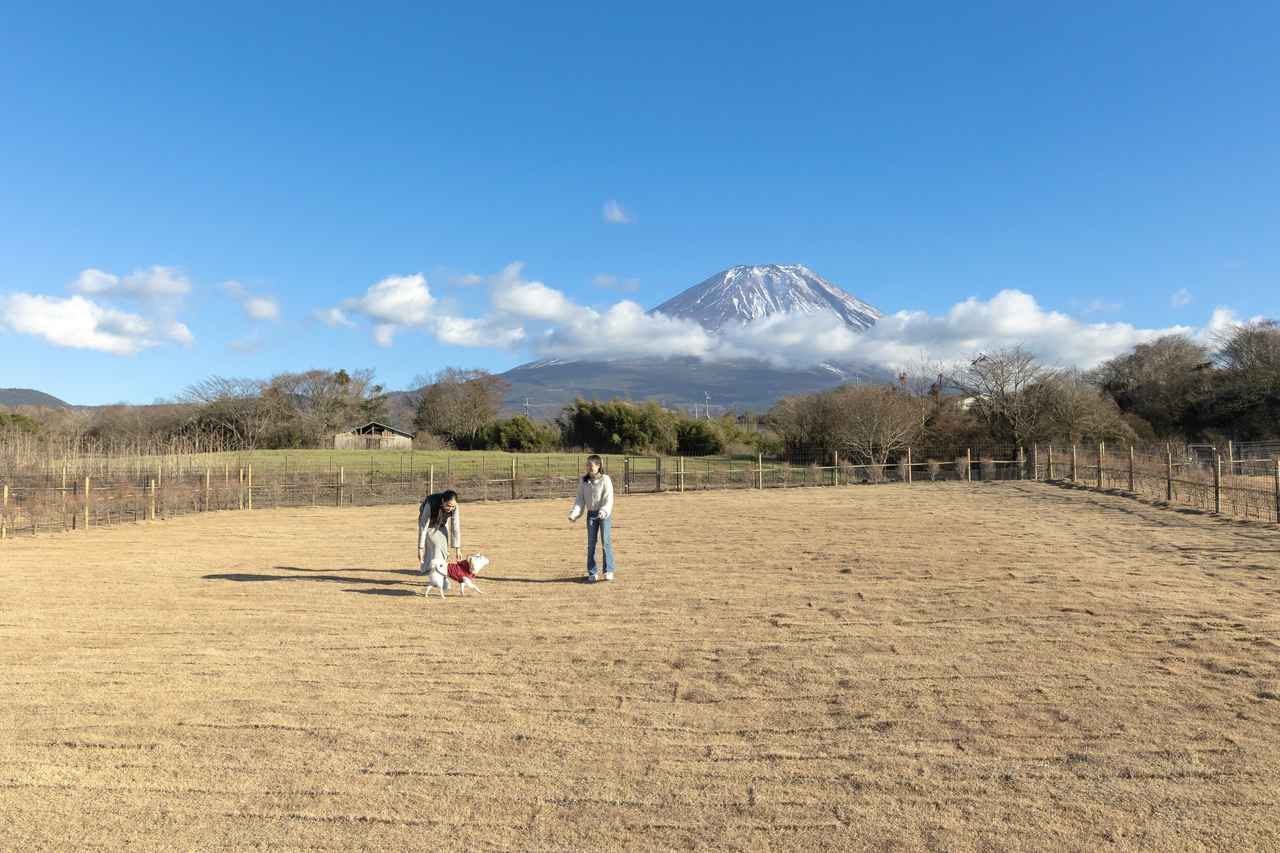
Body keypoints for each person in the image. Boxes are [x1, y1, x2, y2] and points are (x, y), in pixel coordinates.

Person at [568, 455, 616, 582]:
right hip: (591, 514)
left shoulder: (606, 479)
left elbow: (609, 498)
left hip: (604, 515)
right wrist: (574, 514)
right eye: (587, 465)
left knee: (606, 542)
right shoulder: (584, 481)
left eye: (592, 465)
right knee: (591, 544)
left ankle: (608, 570)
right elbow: (579, 500)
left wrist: (604, 511)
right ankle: (592, 572)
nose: (589, 467)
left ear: (598, 466)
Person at [418, 489, 462, 570]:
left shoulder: (455, 506)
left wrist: (458, 549)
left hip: (442, 523)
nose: (450, 508)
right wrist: (420, 548)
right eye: (448, 505)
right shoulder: (431, 503)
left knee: (444, 548)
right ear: (443, 501)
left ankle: (438, 568)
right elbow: (423, 526)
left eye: (453, 506)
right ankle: (432, 570)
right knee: (436, 544)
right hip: (429, 525)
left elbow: (455, 526)